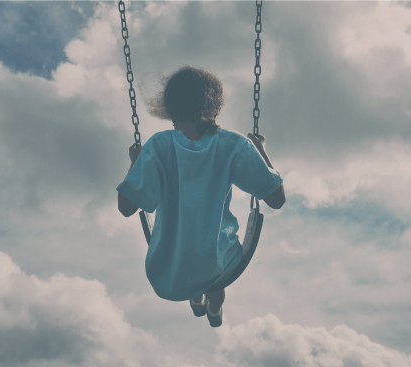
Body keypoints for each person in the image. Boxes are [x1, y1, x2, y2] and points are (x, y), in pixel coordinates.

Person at [116, 66, 285, 327]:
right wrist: (260, 151)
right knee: (214, 276)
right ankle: (214, 309)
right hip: (220, 260)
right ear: (215, 106)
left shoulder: (158, 146)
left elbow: (126, 207)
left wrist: (135, 164)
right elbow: (276, 198)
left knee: (189, 271)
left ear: (169, 109)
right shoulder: (234, 144)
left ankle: (196, 299)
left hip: (172, 261)